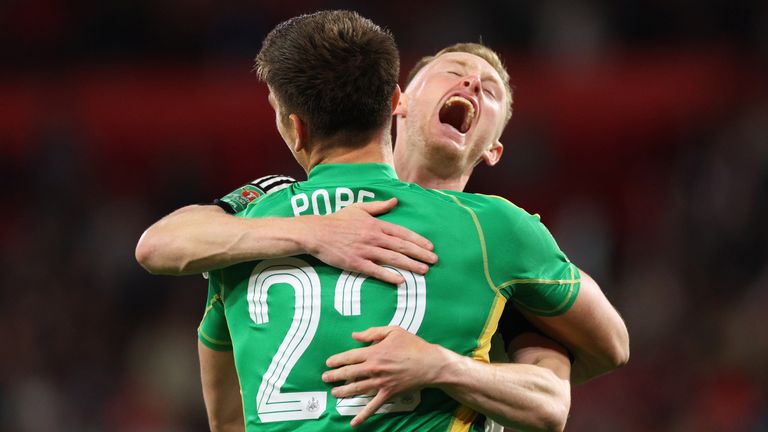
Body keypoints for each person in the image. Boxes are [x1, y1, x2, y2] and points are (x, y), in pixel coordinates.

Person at [137, 30, 627, 432]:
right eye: (453, 73)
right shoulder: (275, 201)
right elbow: (161, 243)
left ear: (493, 150)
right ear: (398, 104)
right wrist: (312, 234)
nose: (473, 85)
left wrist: (456, 368)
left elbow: (606, 350)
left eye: (491, 89)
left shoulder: (497, 236)